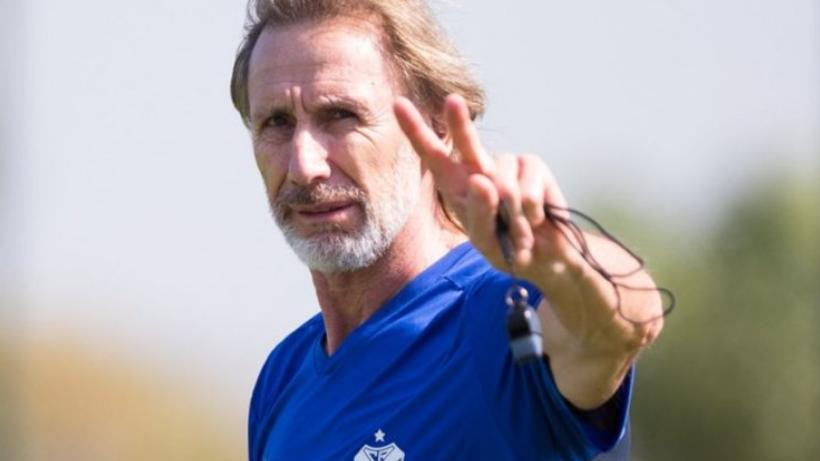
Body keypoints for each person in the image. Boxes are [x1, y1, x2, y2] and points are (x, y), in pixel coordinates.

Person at [230, 1, 664, 459]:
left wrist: (561, 258)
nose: (304, 166)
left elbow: (630, 319)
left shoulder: (501, 314)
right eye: (276, 123)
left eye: (341, 116)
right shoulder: (282, 379)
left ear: (436, 126)